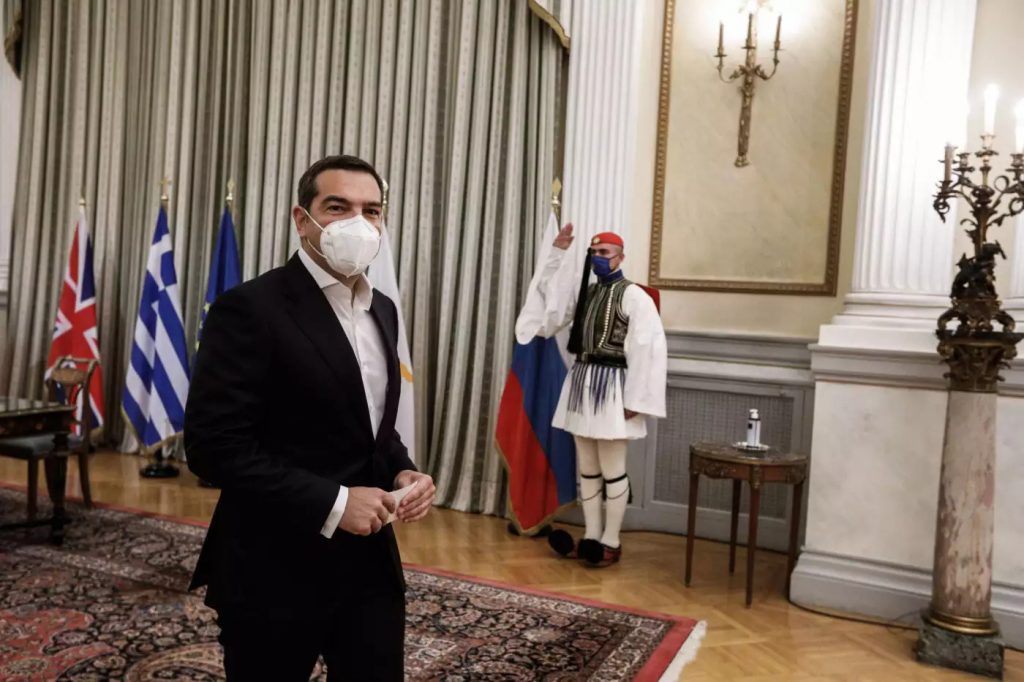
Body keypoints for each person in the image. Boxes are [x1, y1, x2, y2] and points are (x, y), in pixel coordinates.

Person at [185, 154, 436, 681]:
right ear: (303, 220)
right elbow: (213, 448)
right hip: (272, 567)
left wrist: (402, 470)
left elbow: (372, 426)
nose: (358, 223)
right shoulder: (249, 308)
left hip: (370, 567)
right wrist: (335, 502)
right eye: (338, 207)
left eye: (371, 211)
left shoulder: (383, 309)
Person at [531, 224, 666, 567]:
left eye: (604, 253)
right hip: (582, 384)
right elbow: (550, 312)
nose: (598, 259)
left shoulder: (634, 296)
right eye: (594, 253)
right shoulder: (586, 294)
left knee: (612, 468)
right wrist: (556, 254)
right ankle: (591, 537)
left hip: (614, 387)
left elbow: (648, 349)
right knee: (588, 468)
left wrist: (636, 401)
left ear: (620, 257)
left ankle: (611, 541)